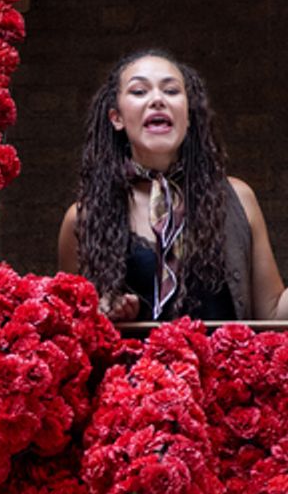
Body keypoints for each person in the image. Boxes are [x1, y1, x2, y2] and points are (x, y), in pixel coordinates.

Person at [57, 49, 288, 323]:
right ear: (116, 117)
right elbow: (69, 328)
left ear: (188, 117)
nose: (157, 99)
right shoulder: (83, 218)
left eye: (171, 90)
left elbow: (273, 313)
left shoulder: (236, 199)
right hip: (136, 366)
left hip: (220, 365)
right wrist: (101, 314)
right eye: (139, 91)